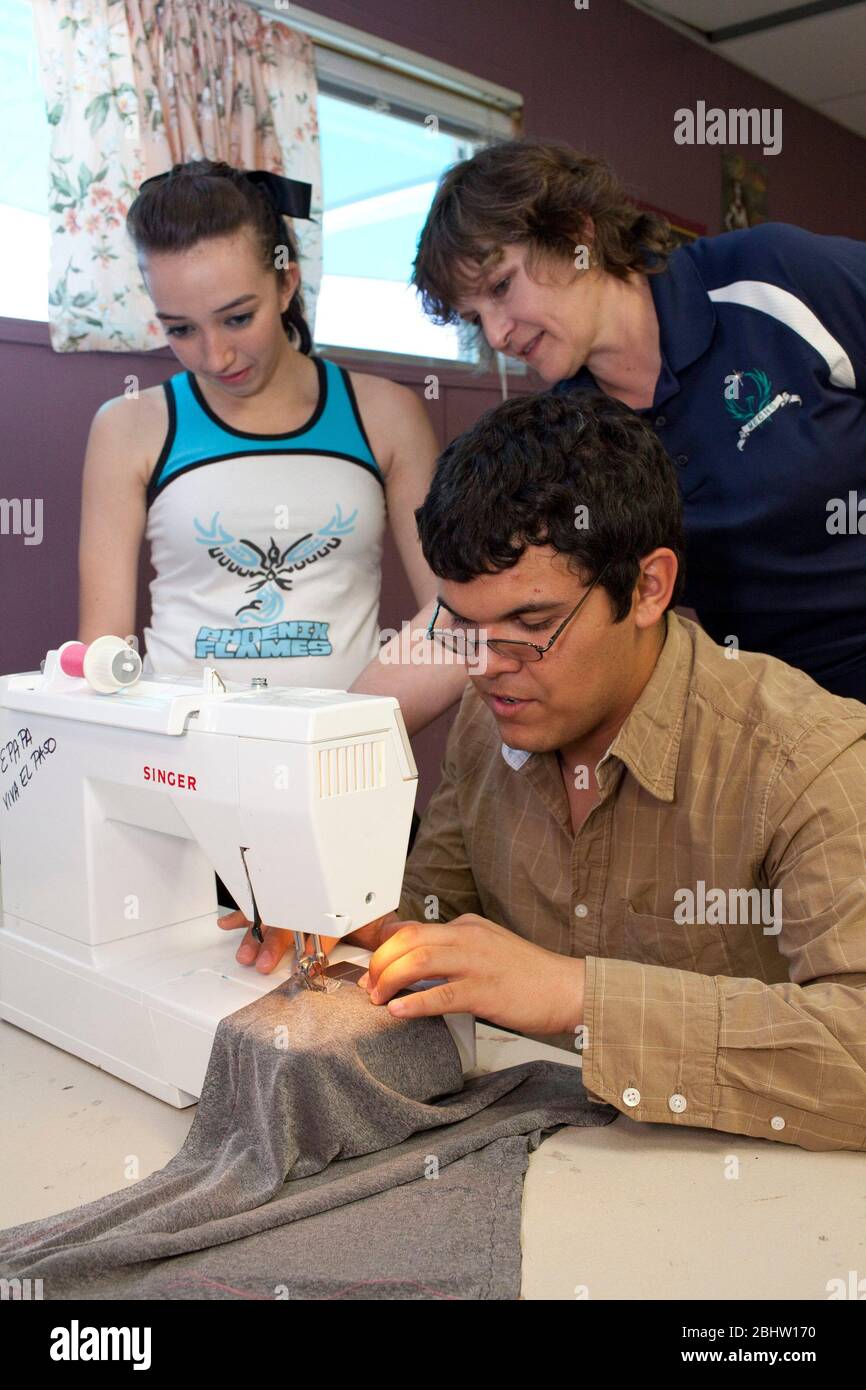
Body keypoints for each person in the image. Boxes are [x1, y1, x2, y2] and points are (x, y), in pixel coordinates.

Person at [351, 390, 866, 1153]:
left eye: (530, 625)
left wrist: (577, 995)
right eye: (462, 627)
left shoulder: (805, 757)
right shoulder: (484, 718)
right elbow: (436, 915)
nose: (488, 668)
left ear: (650, 588)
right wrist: (355, 925)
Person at [76, 159, 469, 958]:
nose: (214, 355)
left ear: (287, 284)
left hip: (350, 794)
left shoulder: (383, 414)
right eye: (180, 328)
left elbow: (456, 622)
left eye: (237, 316)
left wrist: (323, 747)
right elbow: (106, 653)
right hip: (189, 806)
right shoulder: (128, 428)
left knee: (369, 1023)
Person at [410, 139, 866, 702]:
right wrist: (339, 732)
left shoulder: (770, 277)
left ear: (577, 235)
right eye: (475, 317)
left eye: (502, 286)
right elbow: (486, 594)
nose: (498, 333)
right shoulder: (574, 432)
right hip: (784, 708)